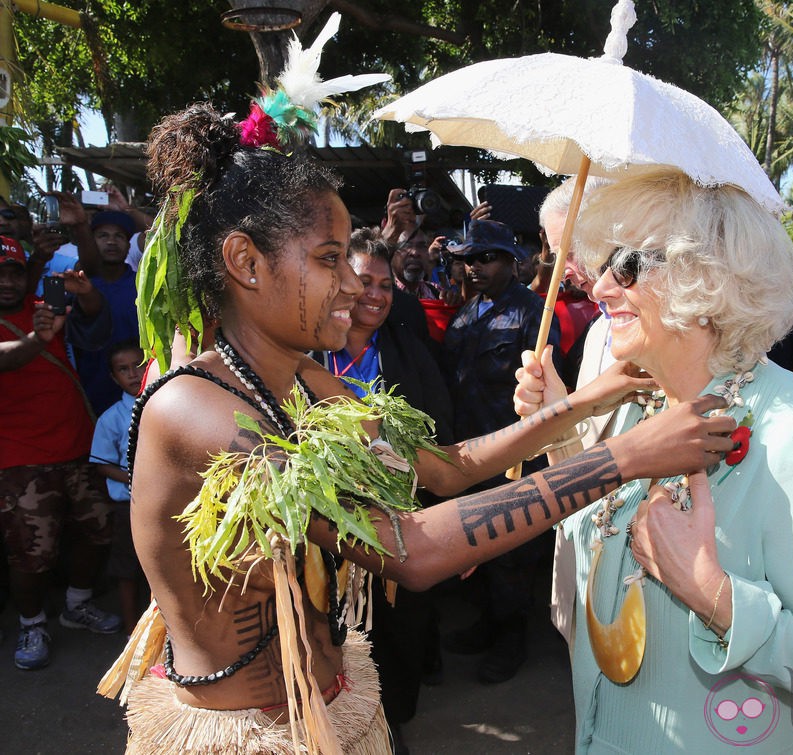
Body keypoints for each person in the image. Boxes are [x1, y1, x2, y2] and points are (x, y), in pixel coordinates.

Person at [109, 101, 738, 754]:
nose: (357, 287)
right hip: (250, 735)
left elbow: (443, 467)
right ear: (246, 261)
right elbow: (408, 549)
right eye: (330, 259)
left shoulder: (300, 381)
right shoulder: (197, 410)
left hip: (329, 709)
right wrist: (624, 457)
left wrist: (586, 401)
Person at [516, 169, 793, 752]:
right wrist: (558, 427)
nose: (601, 289)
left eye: (627, 266)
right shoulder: (642, 403)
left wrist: (710, 591)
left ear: (705, 277)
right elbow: (597, 530)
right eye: (604, 266)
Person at [316, 227, 451, 752]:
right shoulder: (308, 351)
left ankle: (390, 728)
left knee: (397, 630)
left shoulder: (407, 352)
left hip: (397, 519)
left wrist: (448, 513)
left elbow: (442, 437)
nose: (374, 294)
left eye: (385, 285)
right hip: (324, 521)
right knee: (334, 629)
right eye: (364, 280)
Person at [440, 218, 563, 684]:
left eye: (485, 257)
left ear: (512, 262)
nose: (474, 267)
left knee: (512, 553)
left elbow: (551, 390)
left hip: (516, 454)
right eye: (467, 258)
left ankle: (511, 642)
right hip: (471, 454)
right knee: (476, 546)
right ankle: (486, 627)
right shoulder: (467, 313)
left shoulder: (535, 313)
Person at [0, 237, 121, 671]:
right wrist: (37, 338)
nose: (7, 282)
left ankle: (77, 605)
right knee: (32, 553)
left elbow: (93, 318)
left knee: (99, 530)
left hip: (77, 444)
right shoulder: (34, 323)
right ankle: (32, 623)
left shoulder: (44, 298)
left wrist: (86, 294)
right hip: (18, 459)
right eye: (0, 274)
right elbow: (8, 359)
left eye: (13, 272)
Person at [89, 339, 147, 635]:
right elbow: (101, 464)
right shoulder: (111, 419)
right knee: (128, 569)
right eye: (123, 370)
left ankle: (164, 634)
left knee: (161, 568)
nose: (133, 374)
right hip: (129, 505)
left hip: (161, 503)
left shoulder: (164, 405)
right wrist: (140, 478)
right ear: (114, 378)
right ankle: (130, 630)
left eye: (138, 365)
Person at [75, 210, 141, 415]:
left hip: (143, 391)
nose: (111, 242)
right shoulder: (77, 285)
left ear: (129, 246)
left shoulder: (143, 285)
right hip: (93, 393)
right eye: (103, 235)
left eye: (119, 236)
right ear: (90, 242)